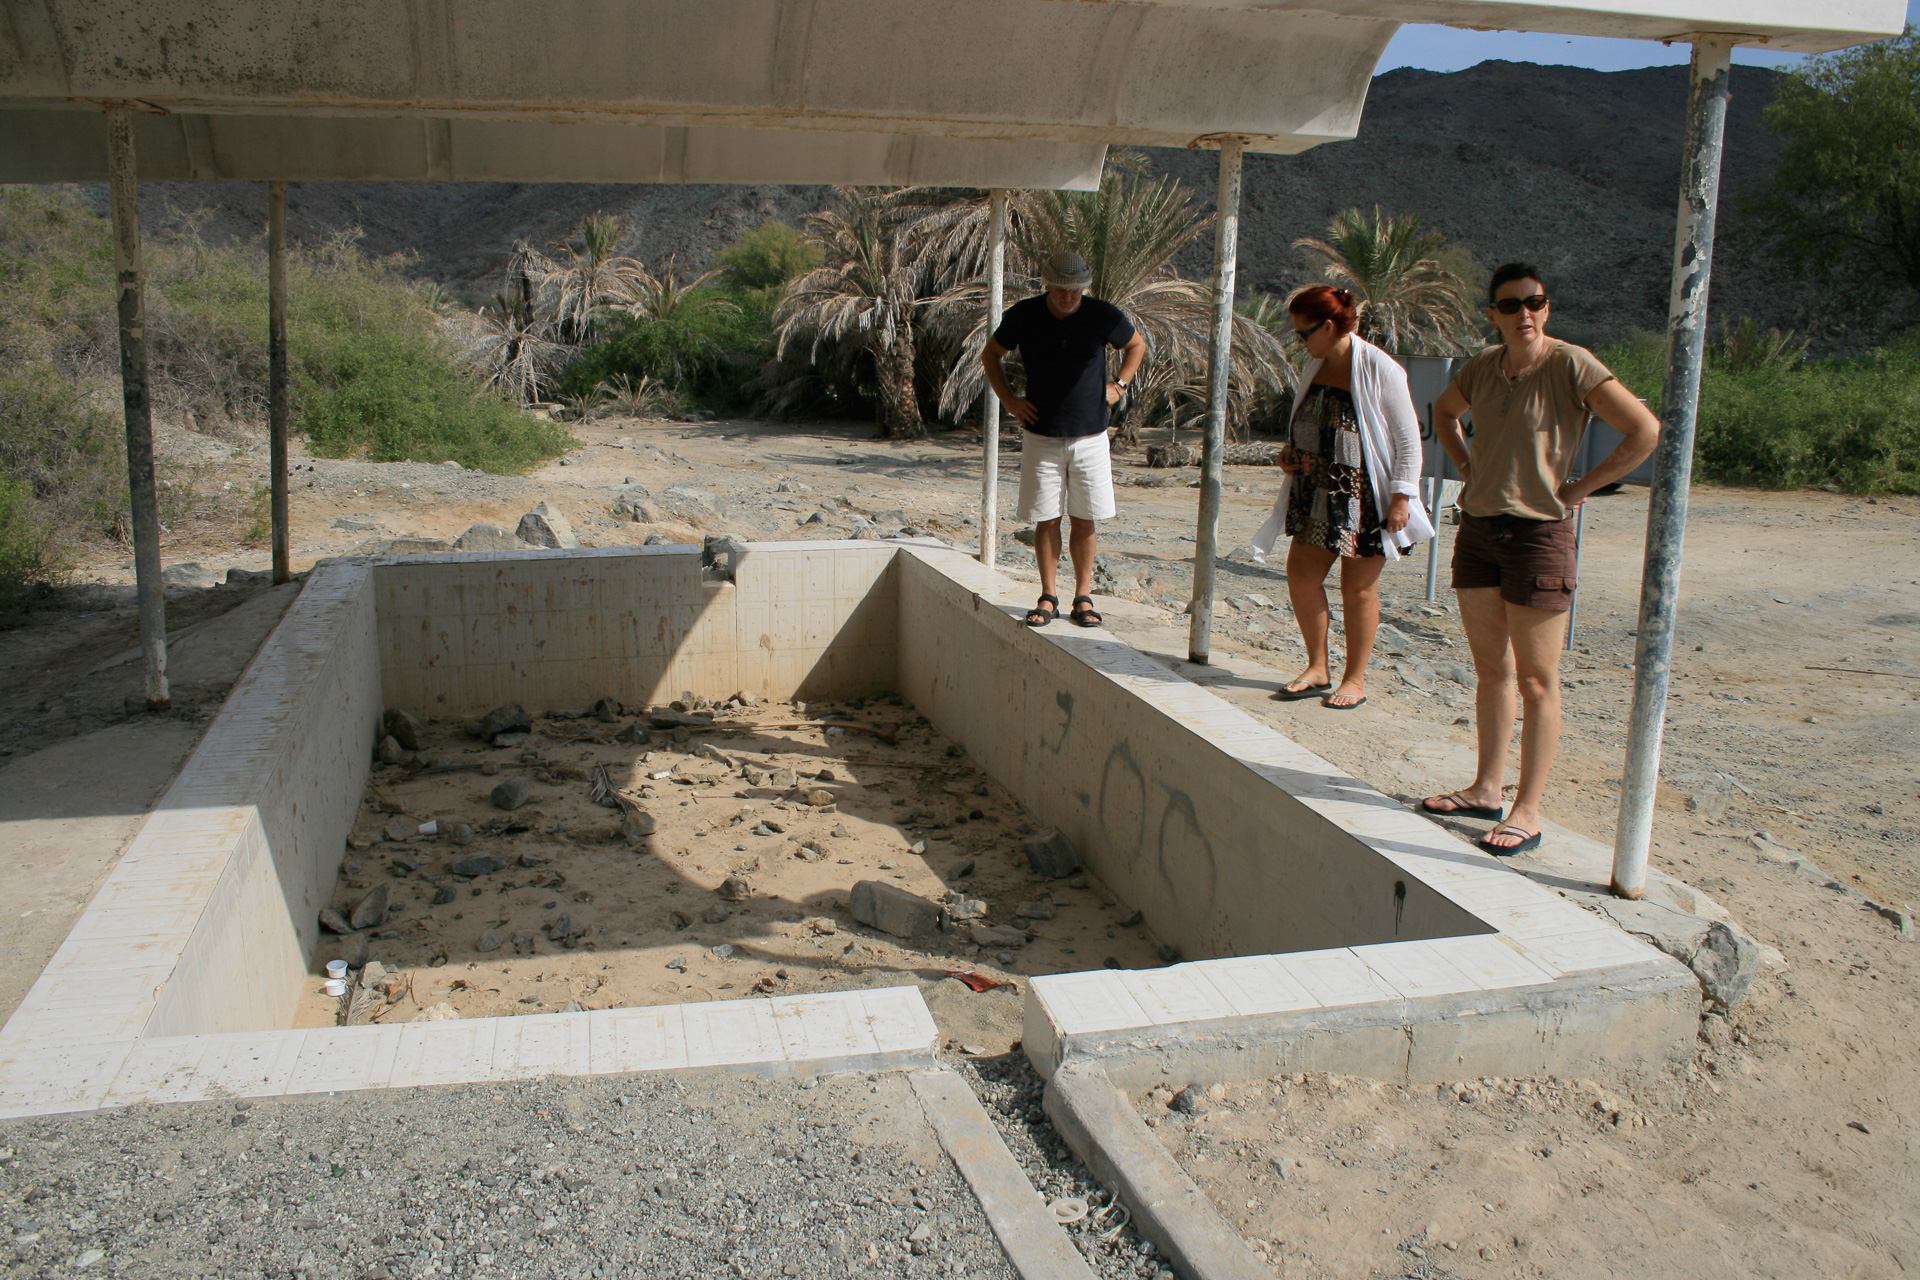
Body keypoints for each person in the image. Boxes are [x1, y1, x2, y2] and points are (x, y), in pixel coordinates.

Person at [1420, 263, 1660, 855]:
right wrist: (1468, 465)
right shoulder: (1482, 366)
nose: (1524, 313)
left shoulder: (1571, 364)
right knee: (1491, 671)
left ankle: (1527, 809)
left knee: (1536, 679)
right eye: (1511, 305)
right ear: (1493, 314)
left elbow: (1643, 430)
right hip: (1479, 529)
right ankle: (1486, 789)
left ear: (1546, 308)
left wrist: (1579, 489)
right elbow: (1444, 413)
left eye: (1535, 302)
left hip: (1538, 536)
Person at [1255, 285, 1433, 710]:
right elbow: (1310, 420)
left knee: (1358, 589)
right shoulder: (1316, 365)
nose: (1301, 342)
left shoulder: (1380, 368)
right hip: (1315, 492)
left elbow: (1409, 442)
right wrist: (1289, 452)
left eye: (1305, 333)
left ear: (1330, 326)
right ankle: (1318, 668)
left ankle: (1355, 679)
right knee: (1301, 575)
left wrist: (1402, 498)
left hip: (1365, 498)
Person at [983, 250, 1148, 628]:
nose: (1068, 297)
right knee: (1046, 519)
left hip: (1091, 435)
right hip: (1041, 435)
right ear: (1048, 285)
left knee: (1085, 518)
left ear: (1084, 288)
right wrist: (1009, 400)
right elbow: (991, 355)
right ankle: (1048, 595)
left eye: (1075, 290)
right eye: (1060, 289)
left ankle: (1083, 597)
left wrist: (1120, 385)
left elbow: (1135, 345)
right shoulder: (1024, 315)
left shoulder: (1102, 314)